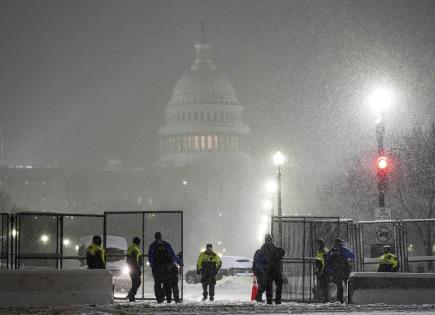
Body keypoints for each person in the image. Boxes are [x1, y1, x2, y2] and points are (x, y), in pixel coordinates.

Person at [148, 232, 182, 303]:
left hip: (157, 267)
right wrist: (179, 262)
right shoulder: (166, 244)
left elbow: (150, 256)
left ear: (155, 237)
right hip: (166, 267)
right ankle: (169, 299)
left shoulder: (153, 245)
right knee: (167, 283)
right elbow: (172, 255)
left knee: (157, 283)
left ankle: (159, 299)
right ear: (161, 236)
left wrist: (153, 266)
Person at [324, 238, 355, 304]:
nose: (337, 245)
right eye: (336, 244)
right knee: (339, 286)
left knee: (346, 285)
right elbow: (327, 260)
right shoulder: (332, 251)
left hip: (343, 271)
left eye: (338, 244)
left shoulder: (343, 250)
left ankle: (348, 299)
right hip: (338, 271)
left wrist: (344, 252)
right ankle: (340, 300)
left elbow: (353, 256)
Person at [257, 234, 285, 305]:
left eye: (269, 240)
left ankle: (276, 301)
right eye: (268, 240)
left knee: (276, 286)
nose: (269, 241)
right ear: (266, 241)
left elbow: (282, 252)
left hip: (274, 271)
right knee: (269, 287)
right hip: (269, 271)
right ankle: (270, 301)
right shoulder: (264, 250)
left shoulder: (272, 249)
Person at [126, 236, 142, 302]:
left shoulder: (131, 247)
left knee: (135, 282)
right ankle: (131, 294)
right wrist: (137, 267)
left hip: (131, 267)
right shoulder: (135, 248)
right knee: (137, 282)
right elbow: (134, 259)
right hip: (134, 267)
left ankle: (131, 295)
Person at [314, 238, 329, 303]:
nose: (318, 245)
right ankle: (325, 297)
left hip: (325, 270)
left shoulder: (324, 251)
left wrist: (321, 270)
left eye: (319, 244)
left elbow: (325, 262)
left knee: (324, 284)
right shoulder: (318, 251)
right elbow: (318, 261)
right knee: (322, 285)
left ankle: (326, 298)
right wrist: (317, 270)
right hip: (321, 270)